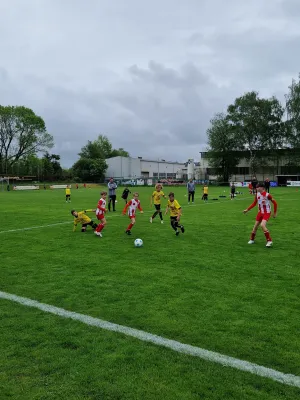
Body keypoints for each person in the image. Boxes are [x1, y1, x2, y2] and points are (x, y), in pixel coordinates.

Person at [243, 182, 277, 247]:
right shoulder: (257, 194)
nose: (256, 188)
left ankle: (269, 241)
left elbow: (275, 203)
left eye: (257, 187)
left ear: (262, 188)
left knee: (262, 225)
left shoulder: (268, 195)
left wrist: (275, 213)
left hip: (266, 213)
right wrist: (247, 209)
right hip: (260, 212)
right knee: (255, 227)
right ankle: (252, 239)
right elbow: (254, 203)